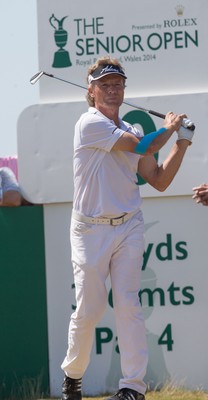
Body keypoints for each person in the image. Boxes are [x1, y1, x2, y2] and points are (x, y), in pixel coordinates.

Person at [60, 56, 195, 400]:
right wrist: (168, 127)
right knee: (90, 309)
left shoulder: (134, 130)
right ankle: (73, 375)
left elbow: (159, 179)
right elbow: (144, 146)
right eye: (104, 85)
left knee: (128, 303)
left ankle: (132, 388)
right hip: (90, 230)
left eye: (118, 85)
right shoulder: (88, 124)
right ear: (91, 91)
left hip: (128, 227)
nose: (112, 90)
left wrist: (181, 142)